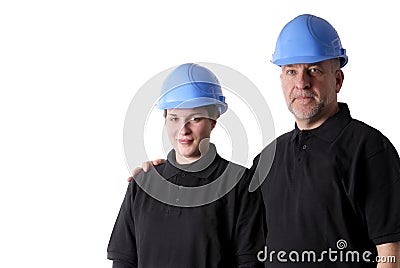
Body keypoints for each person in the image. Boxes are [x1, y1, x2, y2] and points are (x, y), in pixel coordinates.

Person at [131, 15, 400, 267]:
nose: (302, 83)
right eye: (291, 71)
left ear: (338, 79)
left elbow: (391, 253)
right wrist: (170, 171)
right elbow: (219, 218)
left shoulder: (369, 148)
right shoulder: (267, 160)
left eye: (315, 70)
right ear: (282, 79)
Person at [107, 63, 265, 268]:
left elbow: (250, 262)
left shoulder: (239, 183)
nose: (183, 130)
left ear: (213, 121)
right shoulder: (143, 183)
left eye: (195, 118)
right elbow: (124, 260)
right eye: (174, 118)